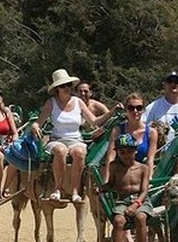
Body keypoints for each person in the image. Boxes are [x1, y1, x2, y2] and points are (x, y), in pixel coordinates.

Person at [32, 68, 117, 202]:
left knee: (80, 152)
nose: (66, 88)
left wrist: (111, 112)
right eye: (62, 86)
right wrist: (35, 126)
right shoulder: (51, 103)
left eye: (68, 85)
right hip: (57, 139)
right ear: (57, 89)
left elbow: (94, 121)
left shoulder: (78, 102)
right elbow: (39, 122)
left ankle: (75, 190)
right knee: (60, 150)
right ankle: (57, 188)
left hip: (76, 139)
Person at [99, 134, 152, 242]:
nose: (126, 155)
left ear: (135, 151)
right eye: (122, 152)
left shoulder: (143, 168)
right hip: (123, 200)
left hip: (140, 200)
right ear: (117, 153)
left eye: (129, 151)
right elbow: (111, 183)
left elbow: (145, 190)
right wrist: (103, 187)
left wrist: (136, 204)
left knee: (141, 218)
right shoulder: (114, 166)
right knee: (118, 220)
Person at [104, 93, 158, 179]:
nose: (135, 111)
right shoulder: (117, 131)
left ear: (143, 110)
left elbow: (150, 160)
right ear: (126, 110)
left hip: (139, 175)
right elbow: (111, 158)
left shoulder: (151, 133)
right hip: (120, 175)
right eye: (131, 108)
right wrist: (107, 180)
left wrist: (149, 178)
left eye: (139, 108)